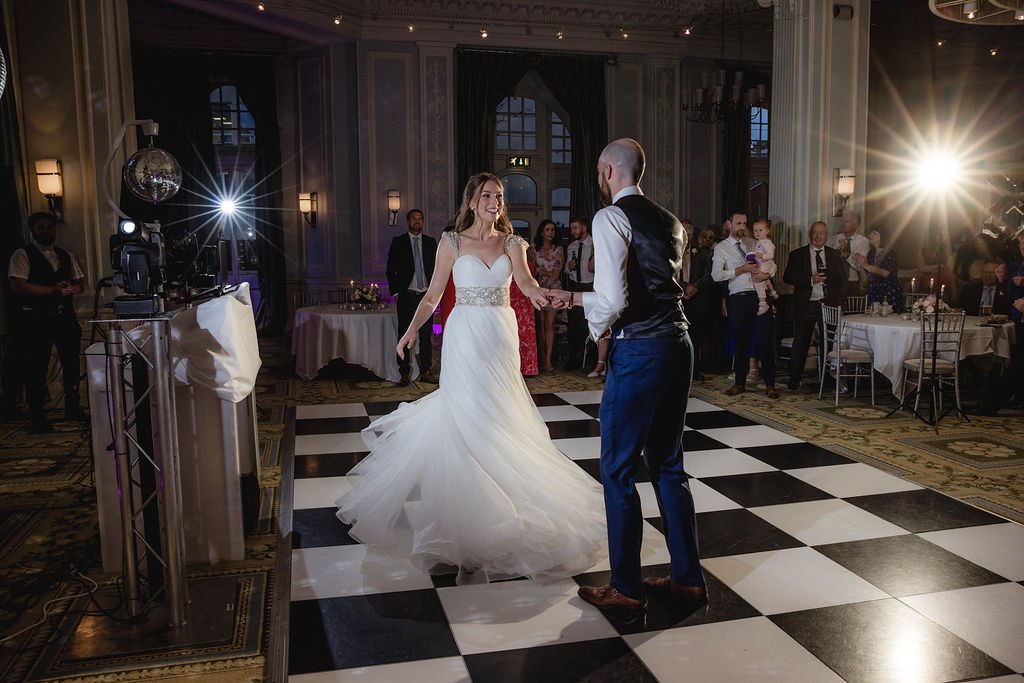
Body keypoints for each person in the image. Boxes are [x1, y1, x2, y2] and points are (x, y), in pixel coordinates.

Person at [336, 173, 605, 583]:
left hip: (499, 331)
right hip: (463, 333)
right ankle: (467, 524)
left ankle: (502, 510)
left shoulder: (514, 243)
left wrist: (546, 297)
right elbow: (431, 295)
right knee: (466, 416)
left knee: (498, 415)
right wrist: (409, 332)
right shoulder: (452, 241)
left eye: (498, 196)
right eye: (486, 195)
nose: (494, 201)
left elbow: (528, 285)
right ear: (472, 200)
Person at [551, 138, 706, 614]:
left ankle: (625, 587)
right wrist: (576, 300)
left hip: (639, 349)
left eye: (599, 173)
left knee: (618, 469)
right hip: (679, 344)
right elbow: (656, 287)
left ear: (606, 171)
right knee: (667, 463)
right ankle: (687, 580)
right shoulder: (671, 221)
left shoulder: (608, 217)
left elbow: (615, 301)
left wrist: (590, 321)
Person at [7, 212, 87, 433]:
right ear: (33, 230)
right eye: (42, 227)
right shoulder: (22, 254)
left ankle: (73, 406)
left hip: (64, 318)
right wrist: (52, 290)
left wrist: (70, 289)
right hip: (35, 319)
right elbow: (19, 286)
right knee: (36, 368)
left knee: (71, 364)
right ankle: (37, 415)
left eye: (50, 227)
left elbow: (80, 283)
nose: (47, 231)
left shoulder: (64, 254)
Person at [712, 210, 779, 398]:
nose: (742, 227)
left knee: (766, 341)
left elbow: (772, 264)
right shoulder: (721, 248)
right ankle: (739, 383)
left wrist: (768, 274)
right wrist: (741, 270)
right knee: (740, 342)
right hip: (739, 298)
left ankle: (770, 385)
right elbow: (716, 275)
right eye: (738, 224)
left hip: (760, 298)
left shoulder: (754, 242)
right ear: (729, 224)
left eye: (744, 224)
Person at [783, 221, 847, 391]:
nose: (818, 237)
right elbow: (787, 276)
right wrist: (809, 280)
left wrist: (838, 302)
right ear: (810, 234)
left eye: (822, 233)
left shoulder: (834, 255)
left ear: (826, 236)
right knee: (801, 342)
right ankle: (794, 380)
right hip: (806, 305)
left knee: (829, 344)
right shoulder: (798, 254)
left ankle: (827, 380)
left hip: (828, 305)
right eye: (815, 233)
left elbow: (842, 280)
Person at [386, 209, 437, 385]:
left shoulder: (431, 243)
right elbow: (390, 269)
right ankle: (404, 373)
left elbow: (437, 269)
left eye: (420, 219)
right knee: (404, 335)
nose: (417, 221)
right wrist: (396, 293)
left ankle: (426, 371)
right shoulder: (399, 242)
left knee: (426, 336)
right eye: (414, 219)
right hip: (407, 296)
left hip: (426, 297)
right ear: (408, 221)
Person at [531, 219, 564, 372]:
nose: (551, 232)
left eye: (553, 230)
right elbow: (531, 270)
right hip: (538, 290)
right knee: (540, 325)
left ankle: (549, 359)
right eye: (548, 230)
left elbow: (557, 271)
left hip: (554, 290)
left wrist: (544, 274)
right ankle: (541, 359)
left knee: (549, 325)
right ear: (542, 232)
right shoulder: (533, 250)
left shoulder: (558, 249)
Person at [563, 216, 594, 370]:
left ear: (584, 228)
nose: (573, 231)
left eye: (575, 228)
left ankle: (591, 359)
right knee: (574, 324)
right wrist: (569, 266)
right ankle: (573, 358)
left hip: (590, 286)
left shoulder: (594, 244)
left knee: (590, 324)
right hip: (575, 286)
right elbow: (567, 271)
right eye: (571, 228)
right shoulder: (572, 247)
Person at [856, 227, 903, 312]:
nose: (870, 235)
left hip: (887, 291)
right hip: (873, 291)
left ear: (883, 236)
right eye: (870, 233)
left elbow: (885, 272)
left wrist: (866, 265)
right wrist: (861, 264)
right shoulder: (871, 253)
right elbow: (865, 279)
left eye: (874, 233)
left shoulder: (890, 252)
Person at [826, 211, 870, 293]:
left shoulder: (863, 242)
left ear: (855, 225)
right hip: (834, 282)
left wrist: (847, 255)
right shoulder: (832, 240)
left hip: (852, 283)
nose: (843, 224)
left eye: (846, 221)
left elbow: (860, 266)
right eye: (843, 221)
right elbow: (827, 261)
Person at [585, 247, 608, 378]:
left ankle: (605, 364)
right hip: (599, 288)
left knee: (610, 330)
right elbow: (591, 267)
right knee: (602, 329)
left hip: (614, 289)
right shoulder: (599, 249)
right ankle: (600, 364)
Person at [751, 219, 778, 315]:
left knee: (757, 281)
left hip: (765, 264)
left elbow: (771, 255)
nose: (757, 233)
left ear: (767, 231)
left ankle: (763, 303)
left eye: (760, 230)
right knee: (766, 280)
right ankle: (772, 292)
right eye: (755, 230)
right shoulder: (759, 242)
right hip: (761, 264)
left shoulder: (767, 243)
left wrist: (762, 256)